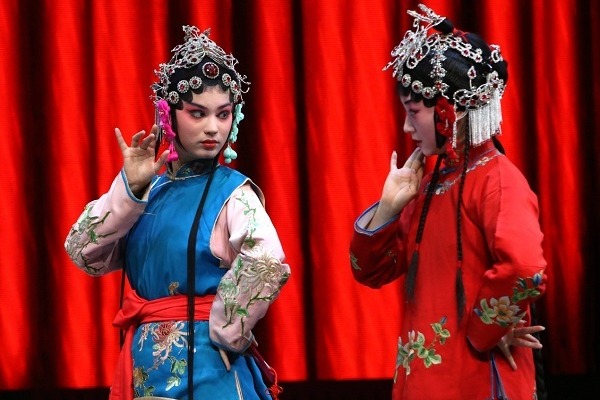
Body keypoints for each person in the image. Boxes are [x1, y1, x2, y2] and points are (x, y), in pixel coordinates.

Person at [65, 25, 290, 400]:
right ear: (168, 114)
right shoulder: (147, 191)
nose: (213, 128)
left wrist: (227, 328)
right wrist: (129, 189)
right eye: (197, 113)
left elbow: (267, 258)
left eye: (223, 114)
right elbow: (82, 253)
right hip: (145, 367)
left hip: (210, 367)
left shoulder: (232, 192)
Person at [349, 4, 547, 399]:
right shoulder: (430, 180)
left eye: (414, 112)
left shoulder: (499, 180)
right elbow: (370, 272)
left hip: (475, 376)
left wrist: (485, 331)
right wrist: (388, 208)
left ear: (448, 111)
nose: (406, 126)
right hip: (426, 381)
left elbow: (526, 268)